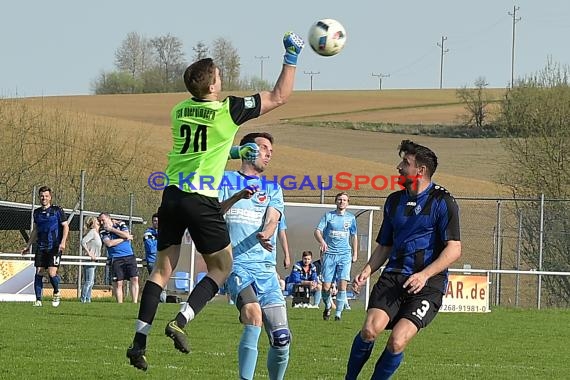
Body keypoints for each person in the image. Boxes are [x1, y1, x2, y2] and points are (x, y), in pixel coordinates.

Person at [126, 31, 304, 371]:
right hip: (200, 199)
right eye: (219, 75)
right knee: (221, 268)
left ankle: (138, 341)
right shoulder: (228, 109)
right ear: (211, 87)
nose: (222, 78)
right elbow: (279, 96)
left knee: (161, 270)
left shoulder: (180, 110)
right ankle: (180, 320)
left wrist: (236, 150)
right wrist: (291, 56)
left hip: (172, 196)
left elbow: (200, 148)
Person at [345, 139, 462, 380]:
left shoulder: (443, 202)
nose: (399, 167)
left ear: (420, 170)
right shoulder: (394, 201)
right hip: (394, 276)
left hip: (428, 285)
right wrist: (368, 269)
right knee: (369, 330)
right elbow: (385, 245)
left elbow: (454, 249)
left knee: (397, 341)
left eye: (405, 163)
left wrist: (424, 275)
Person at [219, 132, 290, 380]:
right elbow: (214, 213)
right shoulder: (224, 180)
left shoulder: (272, 188)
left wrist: (267, 233)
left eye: (271, 149)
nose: (269, 153)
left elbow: (273, 217)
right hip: (236, 265)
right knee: (253, 315)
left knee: (282, 340)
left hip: (266, 270)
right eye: (264, 147)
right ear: (248, 149)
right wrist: (237, 195)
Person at [21, 186, 69, 307]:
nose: (44, 198)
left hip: (55, 247)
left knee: (52, 273)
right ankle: (38, 300)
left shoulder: (57, 210)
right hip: (41, 246)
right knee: (39, 271)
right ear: (39, 197)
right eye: (42, 196)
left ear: (50, 197)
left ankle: (57, 292)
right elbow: (35, 230)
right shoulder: (36, 212)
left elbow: (66, 226)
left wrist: (63, 242)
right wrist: (28, 246)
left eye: (46, 196)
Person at [314, 192, 358, 321]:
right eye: (340, 199)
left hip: (344, 255)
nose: (342, 202)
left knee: (342, 285)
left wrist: (355, 253)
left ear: (348, 203)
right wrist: (322, 241)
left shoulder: (351, 218)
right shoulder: (328, 216)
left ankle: (338, 314)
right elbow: (317, 231)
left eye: (344, 200)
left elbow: (354, 236)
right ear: (336, 201)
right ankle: (328, 305)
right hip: (329, 254)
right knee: (326, 286)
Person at [98, 213, 139, 304]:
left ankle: (135, 302)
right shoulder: (102, 231)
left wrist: (112, 229)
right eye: (100, 221)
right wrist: (125, 238)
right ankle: (120, 304)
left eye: (103, 220)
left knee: (134, 278)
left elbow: (126, 234)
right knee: (119, 283)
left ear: (109, 218)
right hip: (116, 258)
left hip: (129, 256)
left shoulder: (120, 224)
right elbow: (109, 243)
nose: (101, 222)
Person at [80, 216, 102, 303]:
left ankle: (88, 299)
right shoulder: (92, 232)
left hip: (95, 260)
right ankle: (83, 299)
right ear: (93, 223)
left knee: (91, 282)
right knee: (88, 281)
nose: (99, 223)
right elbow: (83, 241)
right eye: (97, 221)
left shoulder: (97, 233)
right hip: (89, 260)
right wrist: (89, 253)